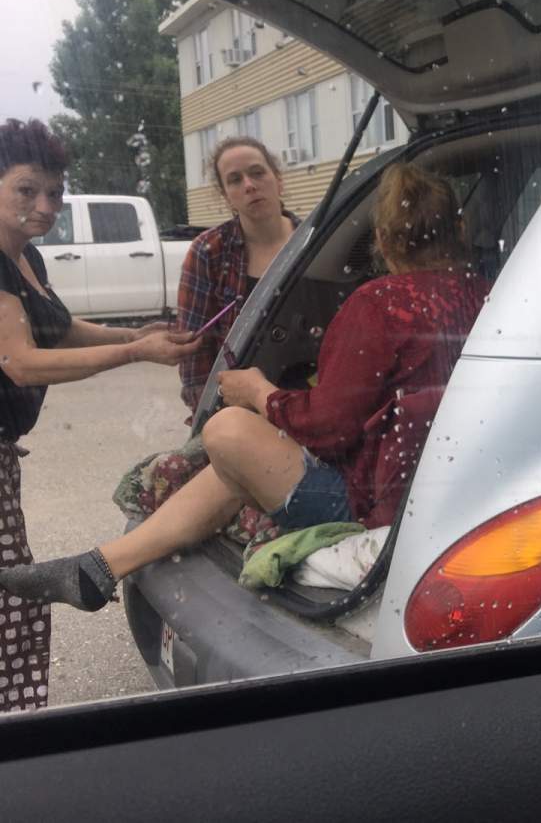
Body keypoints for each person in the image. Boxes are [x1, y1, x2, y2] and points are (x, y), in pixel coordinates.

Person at [0, 163, 489, 613]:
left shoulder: (378, 304)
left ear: (381, 240)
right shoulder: (488, 292)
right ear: (461, 230)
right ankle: (98, 567)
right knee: (236, 465)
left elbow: (329, 429)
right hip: (448, 485)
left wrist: (260, 392)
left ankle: (99, 567)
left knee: (230, 431)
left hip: (378, 501)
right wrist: (135, 338)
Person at [0, 118, 198, 711]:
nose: (45, 205)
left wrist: (133, 332)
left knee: (15, 595)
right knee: (14, 597)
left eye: (55, 192)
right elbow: (23, 364)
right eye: (26, 190)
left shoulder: (24, 257)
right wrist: (135, 352)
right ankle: (16, 729)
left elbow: (60, 331)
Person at [177, 136, 299, 414]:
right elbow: (194, 358)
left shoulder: (316, 241)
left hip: (312, 404)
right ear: (225, 196)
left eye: (257, 173)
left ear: (278, 179)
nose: (249, 185)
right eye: (234, 180)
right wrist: (214, 414)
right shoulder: (208, 253)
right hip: (237, 413)